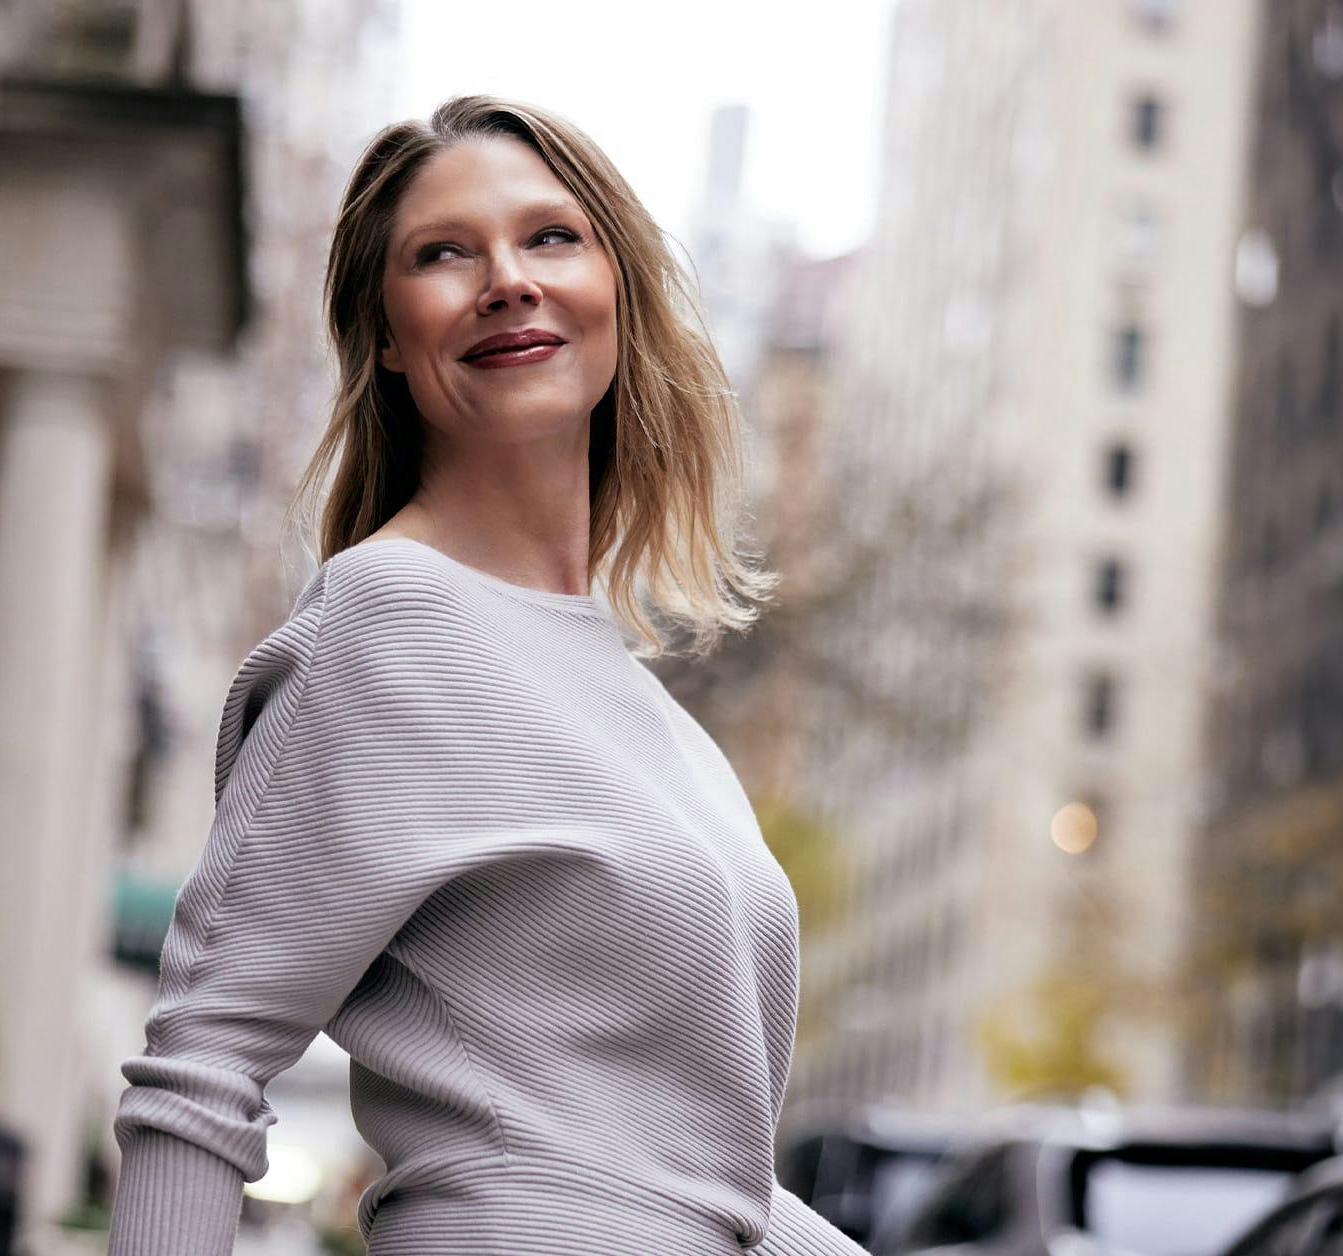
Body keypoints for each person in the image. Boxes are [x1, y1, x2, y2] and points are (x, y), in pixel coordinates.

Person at [109, 95, 868, 1256]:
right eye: (444, 253)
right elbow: (201, 1066)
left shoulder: (658, 724)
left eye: (549, 236)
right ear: (385, 334)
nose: (506, 277)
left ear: (620, 293)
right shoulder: (384, 620)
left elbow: (701, 1184)